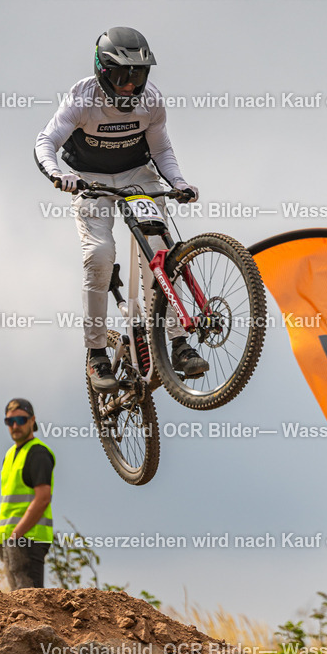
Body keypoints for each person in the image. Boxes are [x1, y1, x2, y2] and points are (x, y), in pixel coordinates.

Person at [34, 26, 209, 393]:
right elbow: (46, 140)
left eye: (138, 75)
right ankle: (96, 353)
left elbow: (161, 150)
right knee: (99, 255)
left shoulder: (152, 102)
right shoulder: (82, 99)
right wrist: (58, 174)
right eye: (121, 75)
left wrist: (178, 183)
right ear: (102, 72)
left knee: (159, 253)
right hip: (89, 178)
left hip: (137, 176)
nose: (130, 86)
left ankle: (178, 343)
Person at [0, 398, 55, 589]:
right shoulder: (9, 455)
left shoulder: (38, 453)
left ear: (32, 421)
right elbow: (8, 507)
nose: (15, 426)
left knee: (30, 605)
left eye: (21, 420)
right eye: (10, 421)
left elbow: (43, 498)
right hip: (12, 541)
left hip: (29, 540)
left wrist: (16, 535)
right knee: (18, 604)